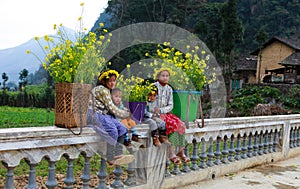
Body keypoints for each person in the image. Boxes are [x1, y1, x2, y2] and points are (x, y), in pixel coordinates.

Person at [87, 69, 134, 166]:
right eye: (110, 81)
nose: (112, 83)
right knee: (112, 130)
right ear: (104, 81)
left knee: (123, 128)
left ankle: (118, 153)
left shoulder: (107, 90)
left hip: (104, 114)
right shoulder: (102, 89)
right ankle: (110, 156)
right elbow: (111, 107)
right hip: (95, 114)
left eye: (114, 80)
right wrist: (124, 114)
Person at [154, 68, 190, 164]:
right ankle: (171, 153)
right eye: (163, 75)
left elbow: (170, 105)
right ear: (158, 77)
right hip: (156, 114)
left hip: (165, 112)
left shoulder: (169, 89)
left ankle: (181, 152)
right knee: (172, 125)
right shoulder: (153, 87)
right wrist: (157, 110)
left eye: (167, 76)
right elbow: (150, 102)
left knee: (181, 125)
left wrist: (162, 110)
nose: (165, 78)